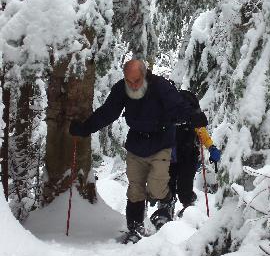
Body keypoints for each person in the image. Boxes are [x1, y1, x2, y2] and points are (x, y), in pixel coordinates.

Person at [69, 59, 207, 244]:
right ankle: (135, 229)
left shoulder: (161, 86)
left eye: (137, 81)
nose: (133, 85)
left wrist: (193, 116)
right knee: (135, 189)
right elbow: (108, 112)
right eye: (129, 81)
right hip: (136, 144)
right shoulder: (122, 88)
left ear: (145, 74)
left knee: (157, 187)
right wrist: (85, 128)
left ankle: (167, 200)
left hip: (161, 143)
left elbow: (178, 106)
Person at [167, 89, 221, 217]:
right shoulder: (187, 117)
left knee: (177, 187)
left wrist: (212, 148)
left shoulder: (187, 117)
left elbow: (202, 134)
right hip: (184, 157)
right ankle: (183, 209)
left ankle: (186, 214)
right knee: (176, 187)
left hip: (175, 157)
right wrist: (211, 148)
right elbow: (203, 134)